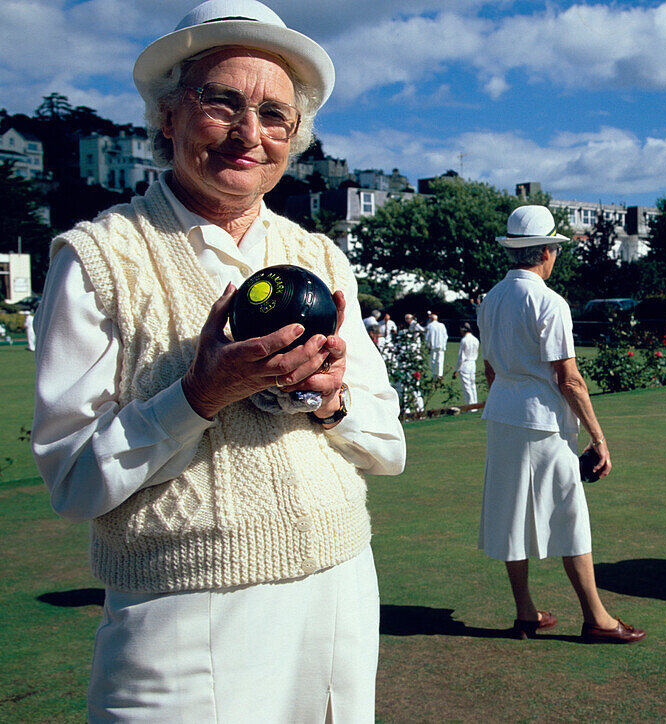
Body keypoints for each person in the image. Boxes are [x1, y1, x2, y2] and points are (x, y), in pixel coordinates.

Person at [30, 2, 406, 720]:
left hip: (337, 598)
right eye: (222, 102)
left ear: (294, 138)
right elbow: (74, 480)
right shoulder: (99, 259)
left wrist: (327, 400)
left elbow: (387, 446)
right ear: (168, 117)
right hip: (180, 615)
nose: (248, 133)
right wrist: (198, 395)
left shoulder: (321, 257)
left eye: (273, 114)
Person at [477, 205, 644, 644]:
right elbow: (569, 377)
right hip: (544, 423)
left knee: (513, 515)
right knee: (572, 516)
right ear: (547, 251)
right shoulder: (548, 301)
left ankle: (525, 612)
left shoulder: (490, 299)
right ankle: (597, 618)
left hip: (502, 416)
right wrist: (599, 437)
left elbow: (491, 371)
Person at [454, 322, 480, 405]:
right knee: (472, 385)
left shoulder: (464, 340)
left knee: (467, 387)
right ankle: (474, 404)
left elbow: (461, 357)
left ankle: (470, 406)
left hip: (465, 364)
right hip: (473, 364)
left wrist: (456, 370)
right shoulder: (475, 339)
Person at [424, 312, 448, 379]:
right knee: (440, 360)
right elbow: (445, 336)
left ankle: (434, 374)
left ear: (431, 319)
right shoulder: (442, 325)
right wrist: (444, 345)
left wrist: (428, 345)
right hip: (440, 346)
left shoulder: (430, 325)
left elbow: (427, 337)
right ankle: (440, 374)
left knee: (433, 360)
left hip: (433, 346)